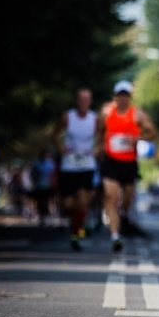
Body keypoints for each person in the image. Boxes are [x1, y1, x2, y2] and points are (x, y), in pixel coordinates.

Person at [96, 80, 157, 252]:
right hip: (110, 160)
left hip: (129, 162)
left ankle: (123, 216)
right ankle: (115, 236)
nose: (122, 99)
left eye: (125, 95)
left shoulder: (137, 114)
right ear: (114, 97)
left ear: (129, 97)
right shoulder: (106, 113)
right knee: (110, 196)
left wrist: (137, 138)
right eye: (119, 95)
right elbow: (100, 131)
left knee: (126, 200)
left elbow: (152, 132)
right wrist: (99, 145)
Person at [52, 88, 98, 251]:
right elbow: (54, 135)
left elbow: (103, 137)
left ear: (90, 101)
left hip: (87, 165)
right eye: (81, 99)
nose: (84, 102)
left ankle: (76, 233)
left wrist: (97, 150)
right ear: (76, 100)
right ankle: (76, 225)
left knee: (83, 202)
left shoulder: (95, 119)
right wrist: (61, 148)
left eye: (87, 99)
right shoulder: (68, 117)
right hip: (69, 165)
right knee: (69, 204)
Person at [29, 149, 56, 226]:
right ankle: (41, 216)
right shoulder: (36, 164)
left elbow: (53, 174)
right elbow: (32, 174)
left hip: (49, 186)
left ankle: (48, 216)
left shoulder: (50, 164)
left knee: (48, 201)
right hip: (39, 186)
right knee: (40, 201)